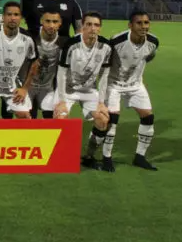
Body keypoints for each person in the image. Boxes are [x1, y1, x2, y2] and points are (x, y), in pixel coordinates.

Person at [53, 12, 113, 170]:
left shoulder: (106, 46)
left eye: (96, 25)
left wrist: (101, 102)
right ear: (83, 27)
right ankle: (62, 156)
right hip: (67, 90)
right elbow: (61, 73)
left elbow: (105, 76)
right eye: (89, 24)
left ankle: (89, 156)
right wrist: (61, 101)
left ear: (100, 28)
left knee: (103, 120)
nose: (92, 28)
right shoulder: (71, 44)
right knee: (60, 119)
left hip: (89, 91)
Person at [102, 11, 160, 172]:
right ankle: (107, 158)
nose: (144, 26)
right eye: (139, 23)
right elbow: (104, 61)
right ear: (130, 25)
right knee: (112, 120)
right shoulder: (117, 41)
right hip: (113, 84)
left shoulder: (153, 41)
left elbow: (149, 55)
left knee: (148, 117)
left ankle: (140, 157)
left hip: (135, 84)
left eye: (146, 23)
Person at [0, 2, 39, 119]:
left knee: (25, 116)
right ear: (3, 17)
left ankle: (20, 138)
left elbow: (34, 63)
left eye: (16, 14)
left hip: (13, 87)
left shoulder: (27, 38)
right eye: (9, 14)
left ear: (20, 18)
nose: (12, 18)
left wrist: (25, 88)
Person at [30, 9, 67, 119]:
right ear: (42, 21)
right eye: (48, 21)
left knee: (53, 116)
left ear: (60, 23)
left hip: (48, 87)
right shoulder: (30, 38)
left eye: (55, 22)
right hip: (29, 87)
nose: (51, 25)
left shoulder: (64, 43)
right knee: (27, 116)